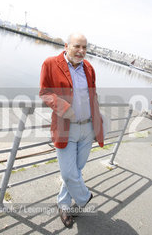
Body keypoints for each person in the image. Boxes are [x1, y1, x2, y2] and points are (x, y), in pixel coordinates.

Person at [39, 33, 104, 228]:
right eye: (77, 46)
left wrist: (97, 123)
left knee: (76, 170)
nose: (81, 51)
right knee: (68, 174)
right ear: (67, 46)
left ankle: (64, 205)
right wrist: (64, 108)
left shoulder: (89, 68)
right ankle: (84, 197)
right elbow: (44, 93)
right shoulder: (51, 63)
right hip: (66, 128)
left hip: (88, 128)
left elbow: (93, 95)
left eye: (85, 48)